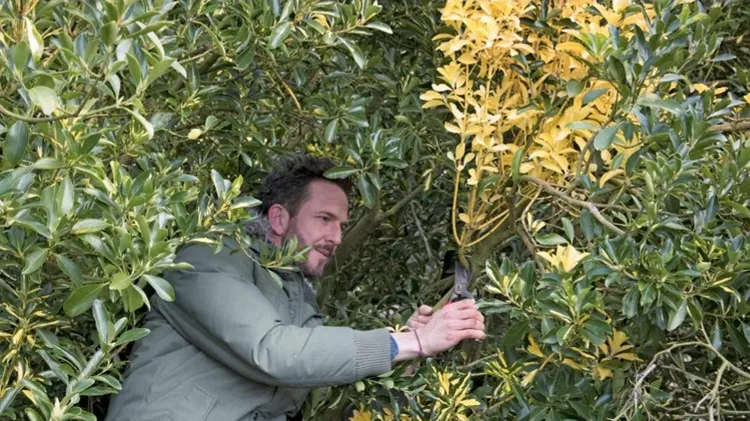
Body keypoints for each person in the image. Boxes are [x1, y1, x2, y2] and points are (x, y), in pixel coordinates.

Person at [105, 154, 486, 421]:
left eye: (341, 224)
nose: (336, 237)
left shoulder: (294, 292)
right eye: (324, 219)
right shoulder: (208, 258)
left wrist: (408, 342)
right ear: (278, 218)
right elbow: (275, 352)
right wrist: (411, 342)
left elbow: (316, 368)